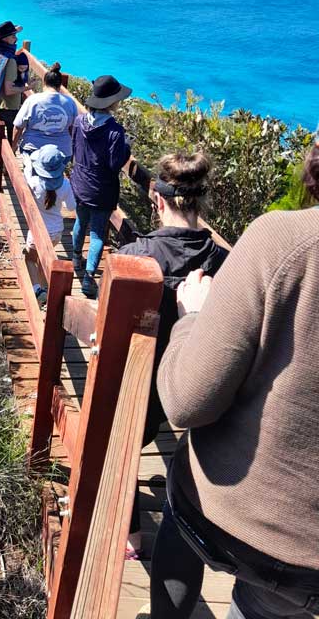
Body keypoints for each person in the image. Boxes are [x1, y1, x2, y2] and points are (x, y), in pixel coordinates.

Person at [146, 139, 319, 619]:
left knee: (184, 513)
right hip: (310, 562)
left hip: (239, 519)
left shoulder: (281, 242)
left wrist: (191, 318)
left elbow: (187, 402)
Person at [116, 152, 229, 559]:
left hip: (141, 381)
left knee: (124, 442)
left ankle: (131, 537)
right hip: (199, 382)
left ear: (158, 201)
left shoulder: (135, 254)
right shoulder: (225, 263)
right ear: (201, 203)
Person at [70, 75, 133, 297]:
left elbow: (75, 148)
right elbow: (115, 164)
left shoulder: (79, 121)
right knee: (97, 233)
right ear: (112, 102)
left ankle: (76, 258)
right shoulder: (115, 131)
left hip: (80, 182)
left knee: (80, 221)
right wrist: (127, 148)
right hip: (102, 188)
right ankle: (88, 279)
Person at [23, 144, 76, 306]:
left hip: (37, 231)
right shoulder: (65, 185)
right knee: (44, 259)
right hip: (56, 232)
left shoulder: (34, 183)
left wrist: (27, 167)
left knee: (30, 258)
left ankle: (38, 289)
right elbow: (72, 207)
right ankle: (43, 291)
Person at [12, 62, 78, 177]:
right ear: (59, 85)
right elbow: (73, 129)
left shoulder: (33, 100)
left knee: (32, 179)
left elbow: (18, 126)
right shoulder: (70, 103)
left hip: (33, 149)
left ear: (44, 82)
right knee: (55, 179)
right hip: (62, 152)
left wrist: (13, 148)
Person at [0, 20, 27, 142]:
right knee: (9, 143)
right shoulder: (9, 61)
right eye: (13, 36)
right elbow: (9, 90)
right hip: (9, 107)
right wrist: (28, 88)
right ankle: (4, 160)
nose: (16, 39)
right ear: (5, 39)